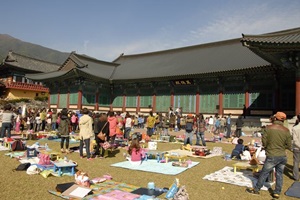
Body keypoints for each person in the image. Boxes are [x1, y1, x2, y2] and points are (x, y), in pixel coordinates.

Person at [246, 112, 291, 199]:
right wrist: (281, 147)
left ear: (275, 118)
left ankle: (256, 189)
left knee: (264, 172)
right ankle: (277, 192)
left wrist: (268, 147)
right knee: (279, 174)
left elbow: (264, 142)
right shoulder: (286, 130)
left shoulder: (268, 128)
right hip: (282, 155)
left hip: (272, 154)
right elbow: (289, 145)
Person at [291, 114, 300, 181]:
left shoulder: (295, 128)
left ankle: (296, 176)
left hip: (297, 147)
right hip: (297, 147)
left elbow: (295, 139)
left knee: (296, 162)